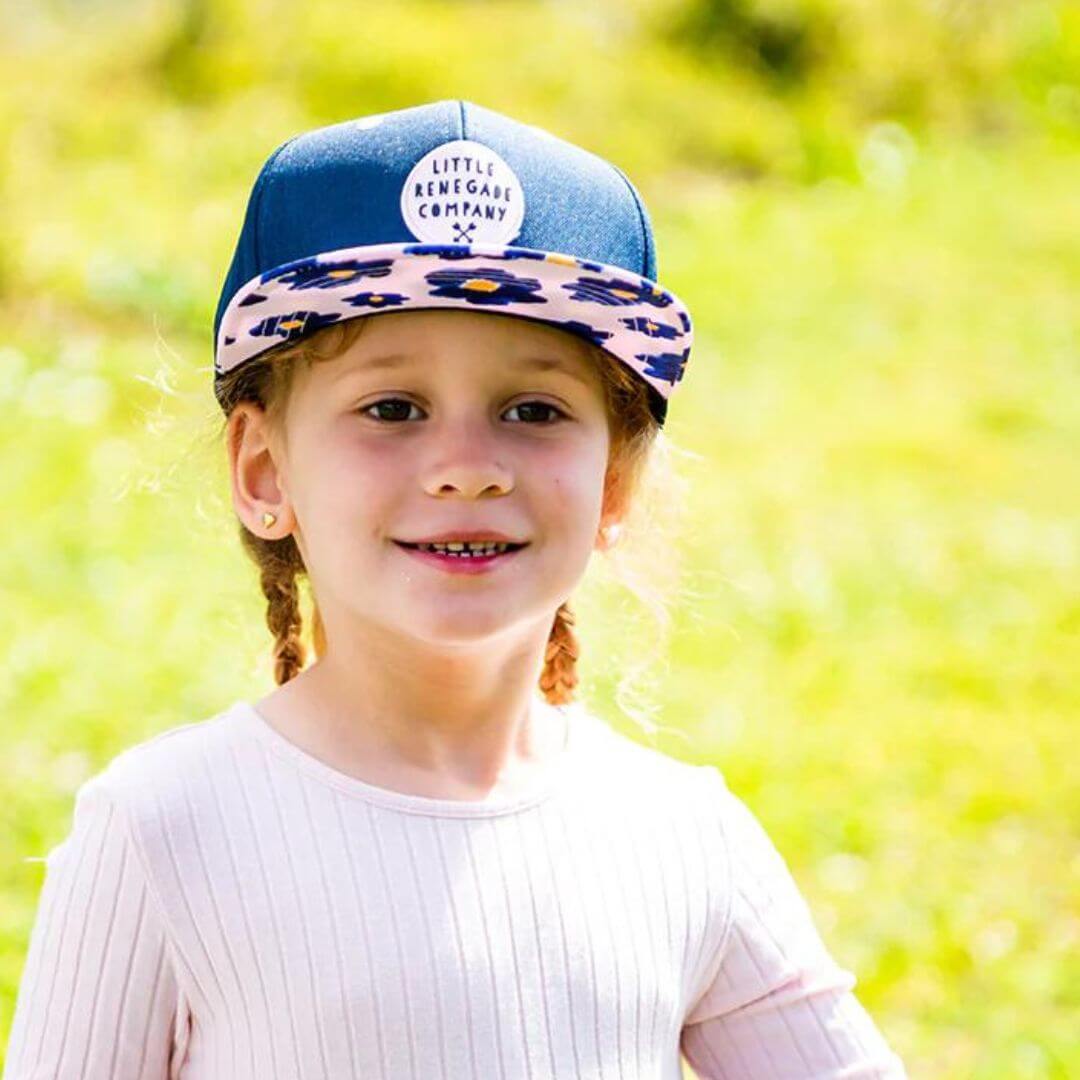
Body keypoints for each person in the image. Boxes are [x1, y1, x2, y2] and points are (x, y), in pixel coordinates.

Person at [3, 99, 908, 1079]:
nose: (467, 468)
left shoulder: (684, 837)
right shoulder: (163, 829)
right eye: (392, 407)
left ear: (615, 482)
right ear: (266, 472)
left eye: (534, 408)